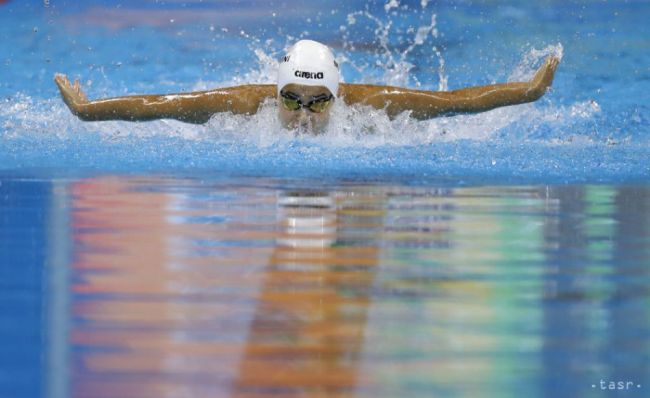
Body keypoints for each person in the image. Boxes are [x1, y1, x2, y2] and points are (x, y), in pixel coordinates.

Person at [55, 39, 560, 132]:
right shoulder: (242, 106)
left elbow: (455, 104)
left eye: (320, 104)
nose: (301, 116)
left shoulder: (374, 108)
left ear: (338, 98)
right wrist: (88, 110)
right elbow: (157, 106)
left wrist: (528, 91)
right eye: (292, 100)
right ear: (274, 94)